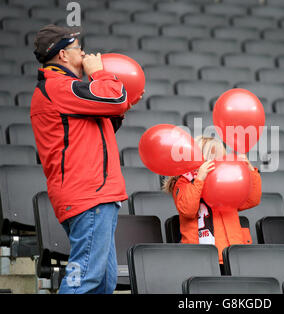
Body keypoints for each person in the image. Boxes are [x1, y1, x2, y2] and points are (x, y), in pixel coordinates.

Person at [30, 25, 142, 293]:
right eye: (78, 49)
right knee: (85, 279)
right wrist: (99, 74)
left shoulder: (66, 90)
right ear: (64, 56)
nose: (85, 54)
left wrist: (118, 107)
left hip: (96, 196)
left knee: (103, 283)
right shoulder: (59, 87)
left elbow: (95, 130)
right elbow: (114, 97)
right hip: (88, 196)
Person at [163, 136, 261, 269]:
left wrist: (250, 171)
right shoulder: (185, 181)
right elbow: (187, 210)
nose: (217, 163)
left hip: (233, 253)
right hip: (202, 256)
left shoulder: (228, 181)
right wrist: (200, 180)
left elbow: (251, 200)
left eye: (221, 158)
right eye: (212, 158)